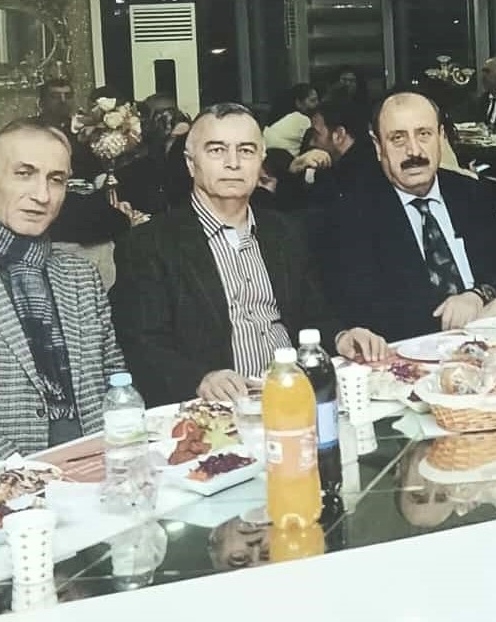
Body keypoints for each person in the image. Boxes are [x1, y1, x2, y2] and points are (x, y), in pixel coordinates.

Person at [111, 103, 388, 407]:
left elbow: (313, 313)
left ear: (261, 161)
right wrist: (200, 380)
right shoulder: (149, 245)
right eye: (217, 150)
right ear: (191, 163)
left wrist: (341, 337)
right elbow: (144, 346)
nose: (233, 163)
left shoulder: (285, 231)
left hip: (295, 394)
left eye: (246, 151)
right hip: (218, 408)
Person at [315, 91, 496, 342]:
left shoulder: (469, 192)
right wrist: (459, 322)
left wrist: (478, 296)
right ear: (378, 146)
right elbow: (367, 313)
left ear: (441, 137)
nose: (413, 151)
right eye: (398, 138)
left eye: (424, 134)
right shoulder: (352, 214)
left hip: (491, 343)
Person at [0, 120, 125, 461]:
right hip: (6, 477)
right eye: (24, 174)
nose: (42, 196)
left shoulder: (80, 276)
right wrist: (22, 469)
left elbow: (116, 382)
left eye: (56, 179)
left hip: (98, 465)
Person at [263, 83, 318, 154]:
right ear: (299, 103)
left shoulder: (280, 119)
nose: (317, 103)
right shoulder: (302, 120)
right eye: (312, 100)